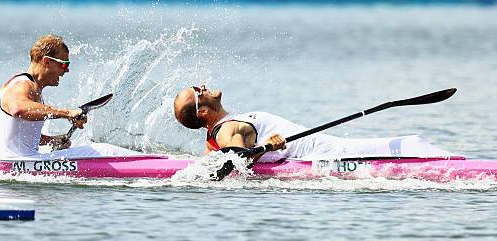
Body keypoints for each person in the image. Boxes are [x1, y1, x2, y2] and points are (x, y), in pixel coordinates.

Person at [173, 85, 456, 162]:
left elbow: (218, 159)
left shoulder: (216, 133)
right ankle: (451, 162)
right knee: (409, 144)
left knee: (410, 142)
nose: (202, 86)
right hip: (322, 155)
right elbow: (235, 158)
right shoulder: (230, 130)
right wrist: (263, 147)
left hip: (319, 149)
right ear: (202, 112)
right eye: (197, 92)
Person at [0, 34, 137, 159]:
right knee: (105, 151)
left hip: (23, 162)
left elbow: (18, 135)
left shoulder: (27, 87)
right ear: (46, 61)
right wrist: (67, 113)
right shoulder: (23, 84)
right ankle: (157, 165)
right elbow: (18, 109)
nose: (67, 71)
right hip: (22, 162)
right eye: (64, 65)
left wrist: (52, 140)